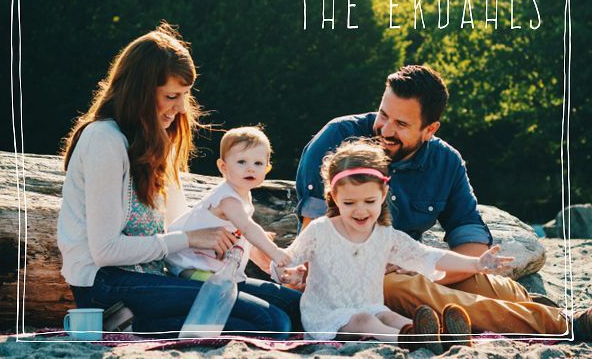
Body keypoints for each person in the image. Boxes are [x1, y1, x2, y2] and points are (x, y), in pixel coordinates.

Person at [295, 64, 591, 338]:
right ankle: (564, 324)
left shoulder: (446, 161)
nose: (384, 130)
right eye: (383, 114)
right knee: (402, 286)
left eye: (400, 124)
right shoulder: (338, 140)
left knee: (497, 289)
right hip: (354, 281)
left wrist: (421, 269)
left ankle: (522, 307)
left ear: (430, 129)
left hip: (412, 265)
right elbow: (314, 237)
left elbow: (470, 237)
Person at [56, 23, 301, 339]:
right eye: (172, 96)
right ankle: (129, 322)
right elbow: (106, 251)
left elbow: (178, 226)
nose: (181, 107)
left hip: (157, 273)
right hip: (105, 283)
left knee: (293, 307)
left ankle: (143, 322)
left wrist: (237, 243)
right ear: (140, 92)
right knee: (271, 324)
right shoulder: (105, 139)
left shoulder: (159, 141)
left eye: (185, 95)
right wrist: (193, 238)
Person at [275, 140, 513, 352]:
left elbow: (428, 255)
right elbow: (287, 258)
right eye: (349, 202)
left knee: (391, 316)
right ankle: (412, 340)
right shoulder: (320, 230)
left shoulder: (385, 236)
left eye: (369, 201)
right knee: (365, 321)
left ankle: (441, 337)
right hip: (325, 316)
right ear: (334, 197)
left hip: (371, 306)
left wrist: (476, 263)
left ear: (383, 193)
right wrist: (285, 271)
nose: (360, 210)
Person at [166, 126, 291, 282]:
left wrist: (260, 242)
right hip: (188, 261)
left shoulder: (243, 193)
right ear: (223, 167)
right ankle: (196, 282)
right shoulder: (227, 199)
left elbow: (242, 229)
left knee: (226, 281)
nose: (250, 168)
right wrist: (275, 252)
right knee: (217, 285)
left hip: (209, 259)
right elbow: (247, 228)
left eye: (258, 163)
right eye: (241, 162)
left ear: (267, 168)